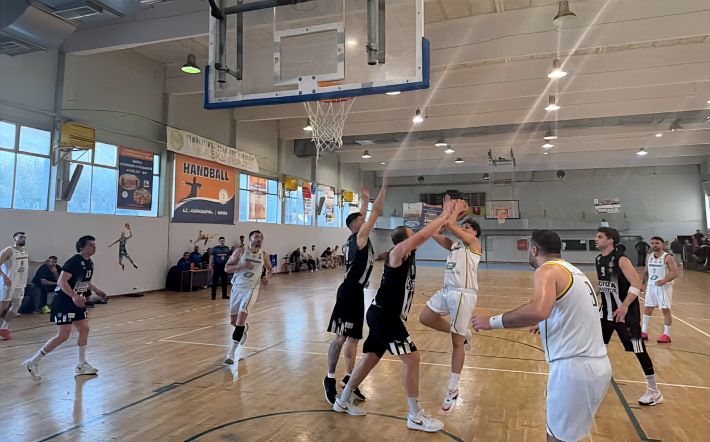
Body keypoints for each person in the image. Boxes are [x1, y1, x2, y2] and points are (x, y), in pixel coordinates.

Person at [472, 230, 611, 442]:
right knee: (567, 437)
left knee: (555, 438)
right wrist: (547, 322)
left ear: (534, 250)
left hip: (573, 369)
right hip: (596, 366)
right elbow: (571, 309)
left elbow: (538, 310)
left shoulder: (547, 270)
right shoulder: (574, 271)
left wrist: (491, 322)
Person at [333, 197, 455, 433]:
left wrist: (448, 215)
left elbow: (428, 234)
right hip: (384, 316)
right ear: (405, 240)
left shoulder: (409, 253)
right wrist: (443, 214)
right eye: (412, 236)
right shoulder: (397, 253)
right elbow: (424, 234)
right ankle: (415, 415)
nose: (417, 238)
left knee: (370, 357)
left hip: (382, 315)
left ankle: (343, 400)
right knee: (412, 358)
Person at [324, 180, 386, 405]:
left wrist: (366, 199)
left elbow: (363, 215)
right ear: (355, 225)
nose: (365, 219)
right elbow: (375, 213)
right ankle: (329, 377)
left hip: (357, 291)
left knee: (354, 337)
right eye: (362, 219)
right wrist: (384, 187)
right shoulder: (359, 238)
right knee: (341, 337)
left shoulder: (357, 235)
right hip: (349, 291)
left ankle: (349, 377)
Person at [419, 200, 481, 412]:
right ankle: (464, 334)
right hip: (447, 291)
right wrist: (442, 213)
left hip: (463, 294)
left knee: (456, 344)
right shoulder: (455, 246)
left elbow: (452, 226)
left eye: (468, 227)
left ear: (474, 233)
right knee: (425, 318)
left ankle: (453, 388)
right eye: (464, 226)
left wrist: (455, 212)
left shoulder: (474, 245)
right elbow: (434, 232)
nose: (464, 228)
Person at [22, 235, 108, 381]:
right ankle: (33, 361)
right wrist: (74, 296)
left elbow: (84, 282)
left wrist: (97, 290)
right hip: (64, 302)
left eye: (94, 245)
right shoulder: (74, 261)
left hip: (77, 302)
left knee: (84, 329)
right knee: (63, 335)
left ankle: (81, 364)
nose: (94, 247)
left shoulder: (89, 263)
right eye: (91, 245)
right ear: (82, 247)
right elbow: (61, 282)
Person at [595, 227, 662, 406]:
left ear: (611, 240)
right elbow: (604, 286)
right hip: (605, 315)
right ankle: (594, 382)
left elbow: (637, 284)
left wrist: (624, 306)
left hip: (625, 316)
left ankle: (654, 391)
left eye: (600, 237)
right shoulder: (599, 259)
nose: (596, 239)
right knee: (594, 348)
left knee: (639, 350)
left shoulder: (621, 259)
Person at [222, 230, 274, 364]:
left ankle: (231, 353)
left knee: (240, 319)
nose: (259, 239)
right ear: (250, 239)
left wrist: (266, 278)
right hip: (237, 288)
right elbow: (227, 268)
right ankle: (244, 329)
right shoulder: (240, 251)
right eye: (256, 237)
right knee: (234, 322)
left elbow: (270, 270)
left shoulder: (264, 255)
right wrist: (242, 266)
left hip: (251, 290)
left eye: (261, 237)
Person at [642, 237, 679, 343]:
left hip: (663, 287)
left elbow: (675, 273)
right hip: (651, 286)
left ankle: (666, 334)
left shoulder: (668, 257)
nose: (654, 245)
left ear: (663, 244)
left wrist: (664, 280)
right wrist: (642, 285)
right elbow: (646, 272)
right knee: (647, 308)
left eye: (657, 243)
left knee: (665, 309)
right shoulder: (649, 256)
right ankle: (644, 331)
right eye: (652, 243)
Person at [0, 232, 29, 340]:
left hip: (20, 283)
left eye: (24, 237)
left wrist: (42, 263)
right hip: (9, 283)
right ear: (14, 238)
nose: (23, 239)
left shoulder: (25, 251)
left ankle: (4, 327)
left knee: (16, 306)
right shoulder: (8, 250)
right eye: (20, 237)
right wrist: (4, 277)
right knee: (3, 308)